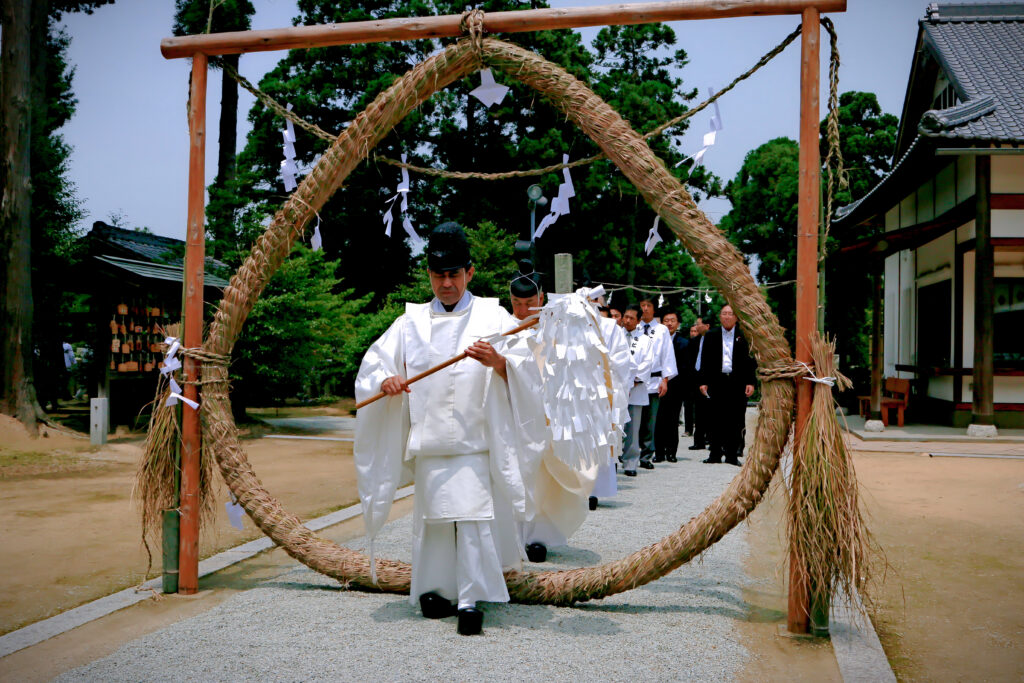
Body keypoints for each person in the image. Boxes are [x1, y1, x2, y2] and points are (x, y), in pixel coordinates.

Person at [354, 222, 541, 636]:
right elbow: (378, 363)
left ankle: (472, 599)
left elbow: (526, 366)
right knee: (434, 522)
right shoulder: (410, 321)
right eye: (439, 275)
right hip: (433, 442)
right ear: (428, 275)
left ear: (469, 273)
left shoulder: (494, 316)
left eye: (454, 274)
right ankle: (436, 590)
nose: (446, 283)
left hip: (474, 442)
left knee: (472, 520)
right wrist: (388, 380)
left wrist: (498, 362)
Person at [506, 264, 595, 563]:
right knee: (513, 474)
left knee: (541, 477)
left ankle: (537, 537)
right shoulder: (501, 327)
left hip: (546, 414)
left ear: (541, 299)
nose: (522, 310)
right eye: (516, 304)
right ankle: (510, 534)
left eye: (528, 303)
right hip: (511, 413)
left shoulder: (555, 329)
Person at [697, 305, 756, 466]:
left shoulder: (745, 335)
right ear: (720, 316)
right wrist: (703, 381)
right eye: (724, 314)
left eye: (731, 314)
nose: (727, 317)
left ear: (736, 317)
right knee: (715, 418)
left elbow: (751, 360)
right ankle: (714, 453)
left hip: (737, 382)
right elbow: (705, 359)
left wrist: (751, 381)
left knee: (735, 419)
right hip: (717, 381)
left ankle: (732, 454)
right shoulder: (711, 335)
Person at [637, 299, 677, 466]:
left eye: (649, 306)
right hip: (635, 381)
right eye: (643, 306)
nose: (645, 309)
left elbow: (667, 355)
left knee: (649, 421)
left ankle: (646, 455)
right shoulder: (634, 328)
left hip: (654, 379)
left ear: (654, 310)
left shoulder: (661, 330)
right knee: (634, 420)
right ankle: (630, 453)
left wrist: (665, 379)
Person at [619, 304, 653, 476]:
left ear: (639, 320)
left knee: (633, 428)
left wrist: (632, 381)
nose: (627, 321)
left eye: (632, 318)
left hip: (635, 389)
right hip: (616, 388)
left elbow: (647, 363)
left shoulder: (645, 340)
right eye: (625, 317)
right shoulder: (616, 335)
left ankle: (630, 462)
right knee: (615, 426)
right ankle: (612, 460)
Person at [654, 311, 688, 463]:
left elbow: (686, 368)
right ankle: (659, 452)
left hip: (677, 387)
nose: (669, 323)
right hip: (658, 385)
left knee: (673, 420)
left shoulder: (684, 343)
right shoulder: (656, 340)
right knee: (658, 419)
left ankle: (671, 452)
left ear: (678, 323)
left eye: (672, 320)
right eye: (666, 320)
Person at [686, 318, 711, 451]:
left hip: (710, 380)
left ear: (707, 325)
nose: (696, 326)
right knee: (699, 411)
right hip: (695, 380)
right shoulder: (694, 341)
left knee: (711, 412)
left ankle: (711, 439)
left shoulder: (714, 339)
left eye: (698, 324)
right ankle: (699, 440)